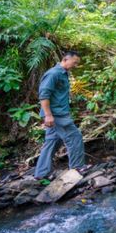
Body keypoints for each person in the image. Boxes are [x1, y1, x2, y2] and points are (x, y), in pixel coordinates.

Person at [35, 51, 87, 179]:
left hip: (60, 113)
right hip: (55, 115)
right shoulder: (53, 74)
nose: (76, 65)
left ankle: (41, 173)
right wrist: (48, 115)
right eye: (74, 62)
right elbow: (44, 95)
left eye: (77, 63)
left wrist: (66, 112)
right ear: (64, 60)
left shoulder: (64, 74)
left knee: (53, 141)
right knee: (75, 136)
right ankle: (77, 167)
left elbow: (60, 96)